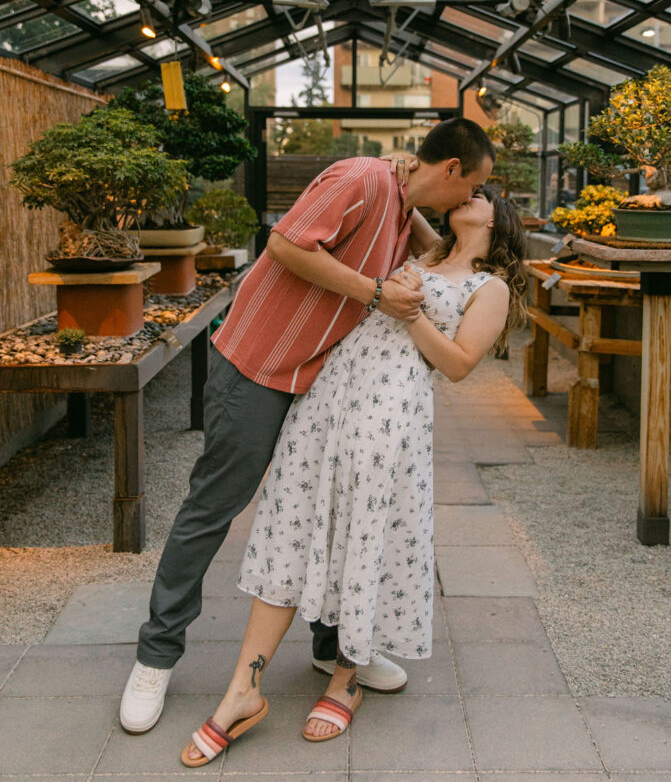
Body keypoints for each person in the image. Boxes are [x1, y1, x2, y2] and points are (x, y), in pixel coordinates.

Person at [120, 117, 495, 734]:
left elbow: (443, 252)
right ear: (452, 170)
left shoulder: (401, 204)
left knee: (329, 508)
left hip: (318, 381)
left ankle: (331, 647)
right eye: (473, 185)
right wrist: (375, 292)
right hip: (260, 368)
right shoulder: (362, 177)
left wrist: (431, 203)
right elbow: (285, 245)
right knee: (214, 505)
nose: (473, 198)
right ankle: (155, 657)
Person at [180, 185, 527, 765]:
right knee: (290, 528)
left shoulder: (490, 286)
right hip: (330, 395)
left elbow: (461, 364)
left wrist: (406, 309)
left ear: (500, 220)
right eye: (464, 186)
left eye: (482, 194)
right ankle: (242, 689)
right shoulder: (428, 249)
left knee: (366, 537)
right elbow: (405, 194)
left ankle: (345, 680)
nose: (468, 193)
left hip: (391, 413)